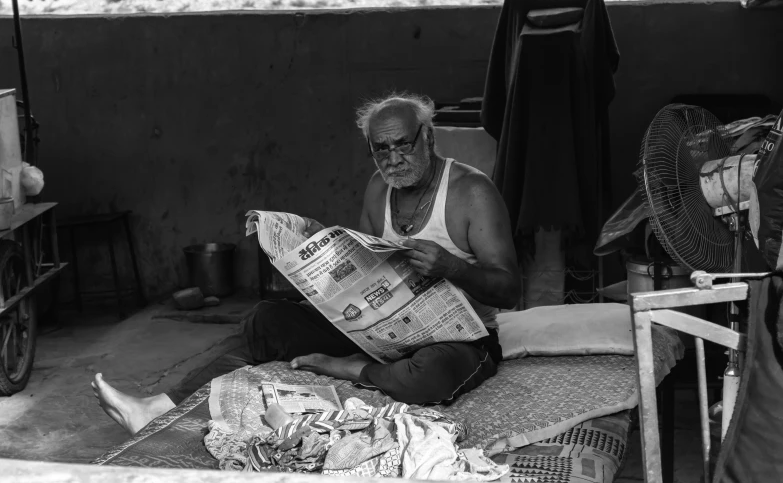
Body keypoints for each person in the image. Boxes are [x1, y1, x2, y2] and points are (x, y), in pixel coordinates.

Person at [93, 92, 521, 435]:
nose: (394, 159)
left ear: (428, 138)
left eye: (404, 144)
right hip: (383, 334)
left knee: (429, 375)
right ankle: (157, 407)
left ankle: (355, 370)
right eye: (381, 149)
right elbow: (366, 273)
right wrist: (312, 265)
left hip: (462, 338)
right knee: (266, 321)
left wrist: (453, 268)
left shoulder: (470, 192)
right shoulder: (379, 188)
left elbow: (509, 289)